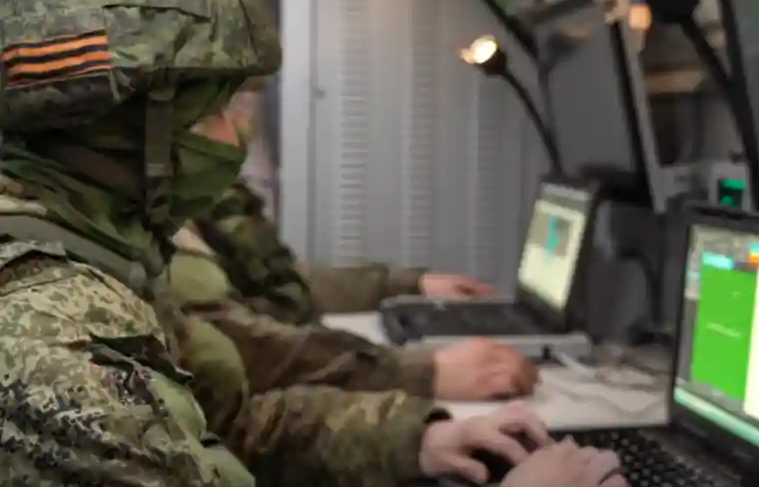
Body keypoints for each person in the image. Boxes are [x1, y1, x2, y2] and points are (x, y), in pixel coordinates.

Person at [0, 0, 627, 487]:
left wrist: (415, 439)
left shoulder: (108, 253)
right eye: (213, 110)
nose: (236, 137)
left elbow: (234, 430)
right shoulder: (54, 341)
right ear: (115, 128)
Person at [167, 79, 536, 402]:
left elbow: (276, 283)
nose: (240, 130)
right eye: (216, 112)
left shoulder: (198, 198)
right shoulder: (160, 225)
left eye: (242, 107)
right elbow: (240, 347)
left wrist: (407, 285)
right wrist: (422, 373)